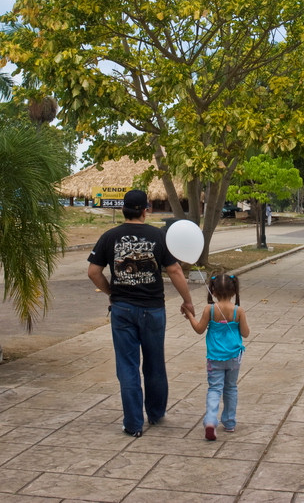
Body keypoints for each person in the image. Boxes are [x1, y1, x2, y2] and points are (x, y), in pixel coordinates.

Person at [87, 189, 195, 438]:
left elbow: (93, 272)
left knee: (127, 366)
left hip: (122, 309)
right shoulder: (158, 236)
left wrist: (111, 293)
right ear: (145, 210)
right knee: (155, 363)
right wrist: (188, 302)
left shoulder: (110, 236)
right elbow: (176, 271)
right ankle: (155, 414)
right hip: (153, 310)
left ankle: (133, 424)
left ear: (124, 209)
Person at [183, 273, 250, 441]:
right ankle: (229, 422)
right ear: (234, 291)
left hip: (214, 358)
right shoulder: (238, 311)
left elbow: (199, 329)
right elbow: (245, 333)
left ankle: (211, 420)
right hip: (234, 358)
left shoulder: (209, 309)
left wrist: (190, 315)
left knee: (214, 389)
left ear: (213, 291)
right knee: (231, 388)